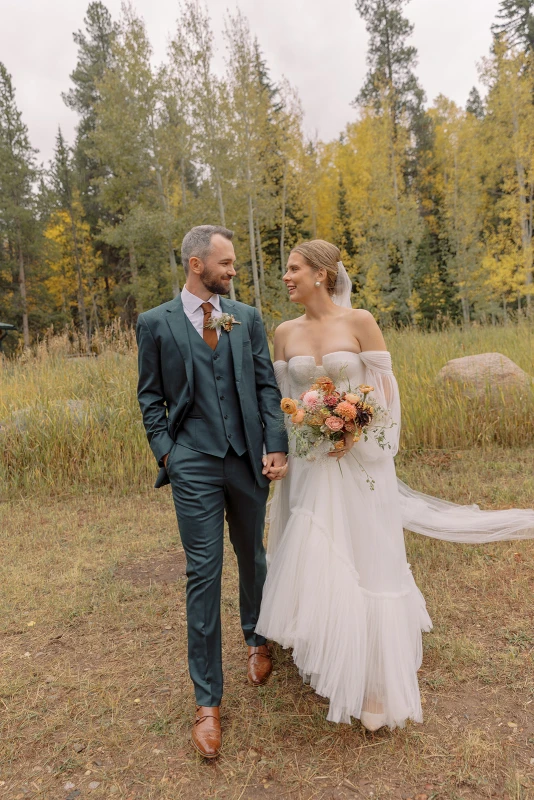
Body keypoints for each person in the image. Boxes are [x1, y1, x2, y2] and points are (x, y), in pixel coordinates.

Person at [256, 239, 534, 732]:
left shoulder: (359, 322)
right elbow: (287, 401)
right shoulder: (283, 333)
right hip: (313, 463)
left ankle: (377, 682)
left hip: (361, 460)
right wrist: (301, 440)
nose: (286, 277)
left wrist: (358, 433)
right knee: (319, 552)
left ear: (322, 274)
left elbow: (386, 393)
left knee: (369, 555)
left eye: (294, 268)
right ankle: (330, 647)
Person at [136, 225, 288, 758]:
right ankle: (207, 702)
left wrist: (275, 443)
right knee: (203, 571)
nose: (233, 270)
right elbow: (150, 397)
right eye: (225, 262)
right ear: (196, 265)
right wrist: (167, 453)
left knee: (252, 554)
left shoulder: (246, 318)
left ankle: (256, 636)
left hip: (247, 457)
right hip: (193, 462)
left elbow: (267, 385)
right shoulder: (154, 323)